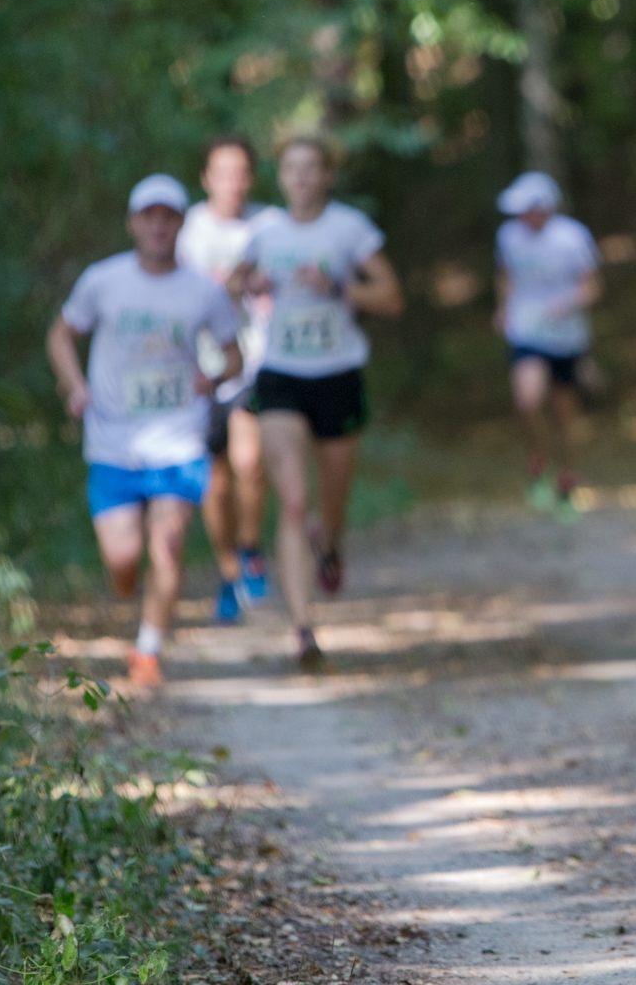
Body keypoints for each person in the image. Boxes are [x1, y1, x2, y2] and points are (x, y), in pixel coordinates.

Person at [47, 174, 243, 688]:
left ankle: (148, 651)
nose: (158, 225)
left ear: (180, 223)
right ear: (133, 223)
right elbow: (61, 335)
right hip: (113, 440)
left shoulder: (204, 290)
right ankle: (130, 588)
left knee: (169, 545)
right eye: (148, 216)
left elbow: (234, 356)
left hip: (178, 439)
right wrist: (75, 385)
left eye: (168, 216)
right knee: (124, 560)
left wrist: (215, 376)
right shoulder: (104, 280)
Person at [228, 134, 404, 671]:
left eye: (311, 168)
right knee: (294, 500)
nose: (302, 177)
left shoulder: (349, 229)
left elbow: (392, 297)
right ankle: (303, 628)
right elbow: (232, 281)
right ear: (280, 177)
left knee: (331, 498)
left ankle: (329, 544)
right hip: (280, 373)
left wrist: (338, 287)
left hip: (338, 373)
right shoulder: (264, 230)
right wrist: (250, 281)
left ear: (327, 175)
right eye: (292, 168)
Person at [177, 134, 278, 624]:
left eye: (241, 172)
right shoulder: (186, 229)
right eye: (223, 172)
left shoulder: (270, 225)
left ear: (251, 178)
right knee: (214, 481)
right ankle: (227, 572)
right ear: (206, 178)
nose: (233, 183)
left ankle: (251, 548)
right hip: (199, 367)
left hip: (254, 360)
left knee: (249, 459)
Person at [492, 171, 602, 518]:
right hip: (527, 331)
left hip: (566, 337)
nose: (520, 217)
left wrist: (566, 304)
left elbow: (591, 287)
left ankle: (567, 481)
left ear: (544, 208)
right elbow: (505, 275)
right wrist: (504, 308)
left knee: (564, 417)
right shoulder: (508, 236)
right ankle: (538, 461)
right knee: (528, 400)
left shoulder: (572, 238)